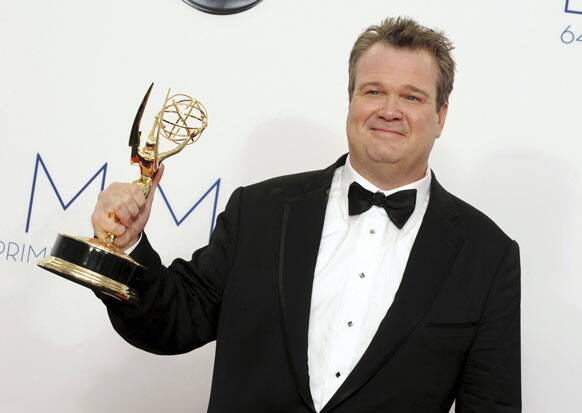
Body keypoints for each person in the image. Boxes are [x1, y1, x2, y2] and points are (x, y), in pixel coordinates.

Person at [92, 17, 521, 413]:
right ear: (351, 99)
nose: (389, 110)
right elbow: (173, 321)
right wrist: (125, 245)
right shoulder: (260, 211)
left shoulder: (486, 255)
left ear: (440, 116)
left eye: (411, 97)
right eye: (373, 91)